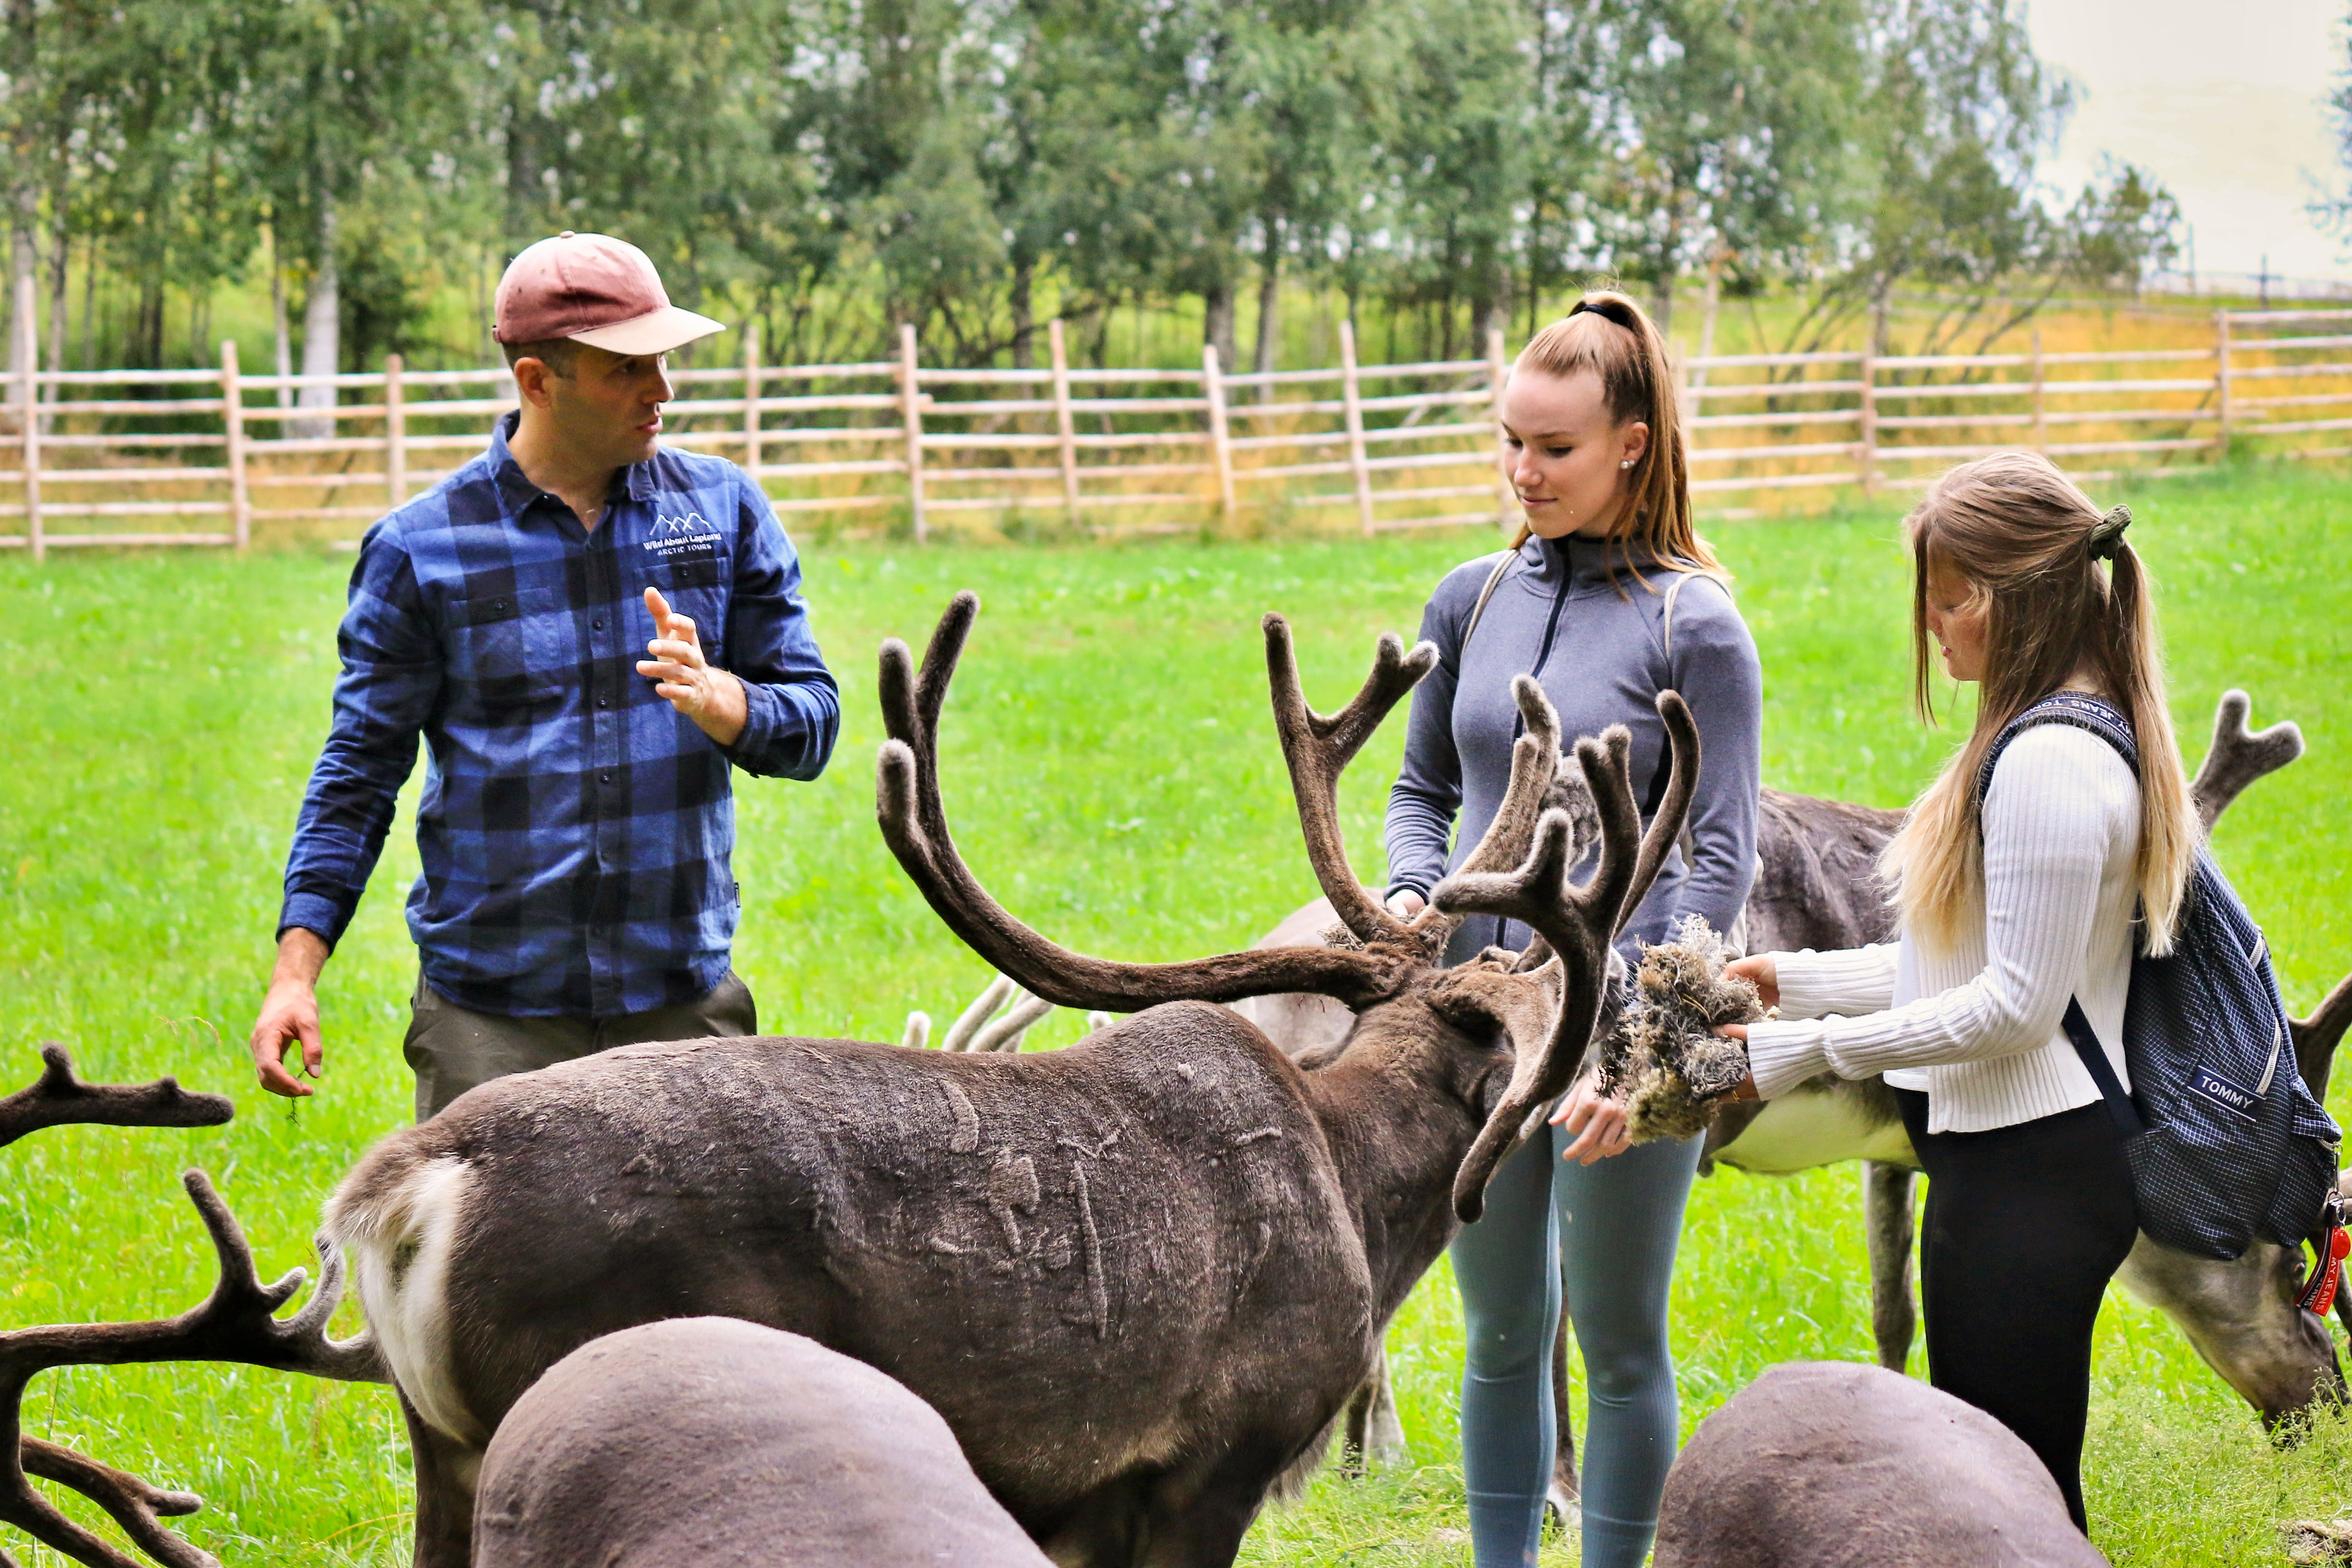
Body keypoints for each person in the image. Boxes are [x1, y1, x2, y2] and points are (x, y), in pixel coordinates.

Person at [247, 231, 841, 1121]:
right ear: (537, 380)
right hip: (492, 1017)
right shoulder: (422, 550)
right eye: (627, 370)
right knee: (489, 1267)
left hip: (679, 1004)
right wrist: (296, 974)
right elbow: (359, 773)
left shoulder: (722, 511)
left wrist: (727, 701)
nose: (663, 391)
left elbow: (816, 721)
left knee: (706, 1268)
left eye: (665, 362)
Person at [1720, 451, 2199, 1532]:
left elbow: (2013, 1012)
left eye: (1947, 603)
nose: (1935, 630)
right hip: (2016, 1168)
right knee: (2006, 1496)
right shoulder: (2058, 738)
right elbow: (1971, 966)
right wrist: (1792, 983)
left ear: (2010, 600)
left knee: (2006, 1515)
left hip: (2032, 1179)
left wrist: (1807, 1055)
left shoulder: (2048, 767)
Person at [1384, 292, 1763, 1568]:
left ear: (1633, 443)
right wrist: (1404, 890)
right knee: (1494, 1333)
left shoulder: (1693, 621)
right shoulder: (1470, 593)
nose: (1521, 470)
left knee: (1616, 1336)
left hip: (1644, 1019)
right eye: (1507, 441)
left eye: (1552, 447)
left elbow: (1723, 852)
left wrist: (1647, 1057)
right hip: (1478, 1016)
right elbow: (1419, 785)